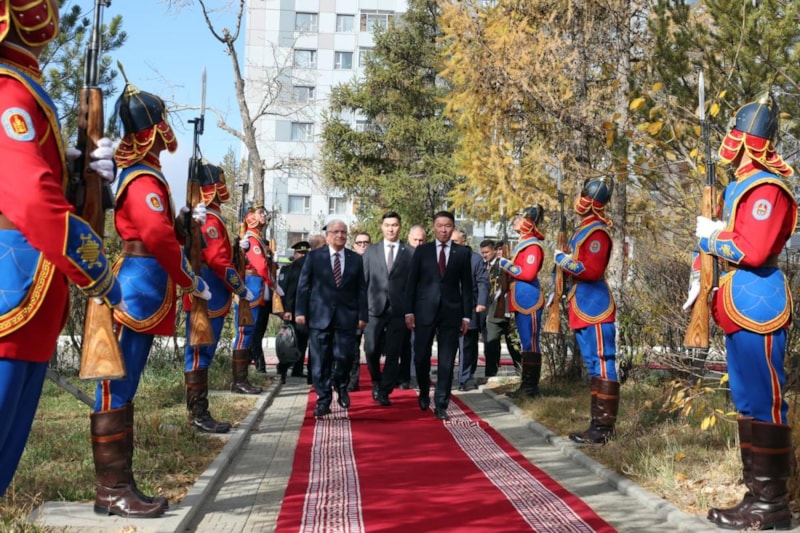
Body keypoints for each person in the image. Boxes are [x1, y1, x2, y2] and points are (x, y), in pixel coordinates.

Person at [0, 0, 123, 502]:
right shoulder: (8, 89)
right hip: (12, 288)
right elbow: (29, 199)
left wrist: (78, 176)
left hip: (27, 295)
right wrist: (95, 267)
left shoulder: (22, 85)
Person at [93, 75, 209, 517]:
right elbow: (156, 238)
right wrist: (188, 279)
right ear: (156, 129)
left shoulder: (145, 174)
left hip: (144, 281)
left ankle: (119, 484)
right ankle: (112, 489)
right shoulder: (143, 178)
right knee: (117, 383)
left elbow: (164, 230)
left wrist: (183, 222)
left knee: (125, 382)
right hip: (139, 285)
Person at [684, 94, 796, 531]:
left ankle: (772, 504)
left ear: (747, 140)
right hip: (738, 301)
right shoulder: (740, 186)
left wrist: (711, 238)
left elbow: (754, 249)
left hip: (758, 302)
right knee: (747, 401)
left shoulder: (767, 187)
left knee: (765, 401)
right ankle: (757, 496)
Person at [183, 162, 259, 432]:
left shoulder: (212, 218)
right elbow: (218, 261)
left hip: (211, 294)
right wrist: (240, 288)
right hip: (209, 295)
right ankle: (198, 414)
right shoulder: (211, 220)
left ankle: (199, 412)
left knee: (202, 352)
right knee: (199, 353)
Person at [553, 181, 619, 444]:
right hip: (581, 303)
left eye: (582, 195)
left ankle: (604, 429)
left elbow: (591, 271)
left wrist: (562, 260)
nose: (578, 200)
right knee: (593, 363)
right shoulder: (583, 230)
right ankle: (596, 425)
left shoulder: (597, 232)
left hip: (595, 305)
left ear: (590, 201)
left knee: (602, 362)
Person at [405, 211, 473, 421]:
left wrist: (466, 316)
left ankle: (442, 403)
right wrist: (409, 311)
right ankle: (424, 391)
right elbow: (412, 283)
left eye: (448, 226)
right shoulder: (422, 251)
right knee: (421, 356)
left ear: (453, 228)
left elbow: (467, 286)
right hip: (424, 311)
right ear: (434, 227)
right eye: (440, 225)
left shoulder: (462, 253)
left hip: (451, 313)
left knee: (446, 360)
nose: (444, 230)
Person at [296, 220, 368, 417]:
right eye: (335, 232)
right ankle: (323, 400)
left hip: (347, 317)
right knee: (320, 361)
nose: (340, 235)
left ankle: (341, 383)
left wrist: (363, 315)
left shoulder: (355, 259)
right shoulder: (314, 257)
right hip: (320, 316)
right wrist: (300, 311)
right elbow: (303, 285)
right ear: (327, 235)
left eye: (343, 232)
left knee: (345, 356)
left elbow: (361, 289)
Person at [362, 212, 413, 406]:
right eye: (387, 225)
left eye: (395, 225)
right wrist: (361, 310)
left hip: (399, 310)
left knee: (394, 352)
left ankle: (385, 390)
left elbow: (413, 285)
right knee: (371, 349)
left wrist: (411, 311)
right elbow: (363, 282)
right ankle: (376, 380)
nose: (391, 229)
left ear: (400, 227)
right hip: (374, 308)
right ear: (382, 227)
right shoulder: (371, 251)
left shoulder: (410, 252)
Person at [498, 207, 546, 399]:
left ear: (529, 222)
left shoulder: (533, 246)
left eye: (520, 218)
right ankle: (526, 386)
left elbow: (528, 273)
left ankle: (530, 388)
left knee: (530, 342)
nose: (516, 220)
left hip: (529, 299)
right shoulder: (523, 243)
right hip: (520, 298)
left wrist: (507, 265)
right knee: (526, 343)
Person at [232, 208, 276, 379]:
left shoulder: (257, 238)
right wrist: (272, 283)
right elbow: (261, 266)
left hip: (256, 285)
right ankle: (240, 377)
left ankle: (244, 376)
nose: (264, 215)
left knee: (251, 331)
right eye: (260, 212)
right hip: (252, 284)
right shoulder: (252, 238)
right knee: (246, 331)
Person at [452, 230, 488, 391]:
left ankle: (465, 378)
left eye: (455, 241)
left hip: (469, 307)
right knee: (448, 345)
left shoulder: (475, 259)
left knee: (467, 345)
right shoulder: (443, 257)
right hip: (448, 308)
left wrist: (481, 302)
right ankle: (448, 376)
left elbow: (483, 282)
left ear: (464, 242)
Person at [481, 240, 521, 377]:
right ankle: (490, 374)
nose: (499, 252)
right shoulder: (486, 266)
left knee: (514, 344)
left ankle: (521, 372)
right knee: (491, 344)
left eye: (501, 250)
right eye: (498, 250)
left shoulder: (510, 265)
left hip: (510, 310)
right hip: (494, 311)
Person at [277, 241, 311, 383]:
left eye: (305, 253)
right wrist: (285, 310)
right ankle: (283, 369)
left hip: (305, 311)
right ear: (295, 254)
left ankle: (298, 368)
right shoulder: (287, 269)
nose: (302, 256)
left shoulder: (309, 268)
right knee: (289, 341)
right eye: (300, 253)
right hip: (290, 311)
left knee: (302, 341)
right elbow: (284, 291)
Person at [346, 230, 371, 391]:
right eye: (359, 243)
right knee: (353, 348)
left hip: (374, 310)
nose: (362, 245)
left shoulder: (376, 260)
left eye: (366, 243)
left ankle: (377, 380)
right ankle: (352, 382)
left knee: (372, 348)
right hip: (354, 311)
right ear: (354, 245)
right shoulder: (349, 261)